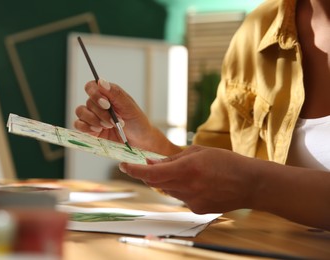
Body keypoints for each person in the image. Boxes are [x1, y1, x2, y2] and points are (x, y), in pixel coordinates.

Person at [73, 0, 330, 231]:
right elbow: (213, 167)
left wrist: (254, 184)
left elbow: (240, 178)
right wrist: (150, 144)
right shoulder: (258, 28)